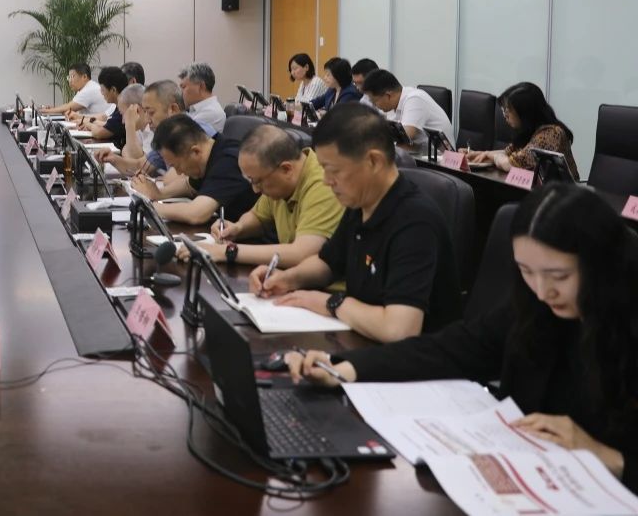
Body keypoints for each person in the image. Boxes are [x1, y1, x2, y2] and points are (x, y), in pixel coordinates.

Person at [285, 184, 638, 492]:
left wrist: (608, 456)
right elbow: (452, 348)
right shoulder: (534, 306)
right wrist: (342, 367)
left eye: (559, 276)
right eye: (527, 271)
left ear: (599, 263)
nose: (543, 291)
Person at [252, 103, 462, 343]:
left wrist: (332, 303)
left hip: (418, 358)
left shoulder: (415, 221)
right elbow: (328, 263)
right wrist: (287, 278)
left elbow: (399, 330)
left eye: (333, 171)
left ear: (373, 161)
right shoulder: (361, 203)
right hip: (363, 339)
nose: (326, 181)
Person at [183, 124, 343, 267]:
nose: (255, 190)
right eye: (250, 181)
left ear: (286, 169)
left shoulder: (323, 185)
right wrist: (238, 228)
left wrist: (226, 251)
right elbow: (259, 216)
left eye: (257, 181)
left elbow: (301, 253)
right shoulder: (279, 179)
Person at [128, 114, 256, 226]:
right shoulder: (212, 150)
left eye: (177, 165)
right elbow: (188, 185)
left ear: (195, 151)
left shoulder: (228, 162)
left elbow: (196, 214)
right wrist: (159, 194)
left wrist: (149, 206)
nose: (178, 173)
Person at [467, 82, 579, 179]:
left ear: (525, 112)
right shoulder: (529, 131)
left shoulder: (551, 134)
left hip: (563, 195)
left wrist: (493, 156)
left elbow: (511, 164)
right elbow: (507, 153)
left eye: (508, 110)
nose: (505, 115)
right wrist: (479, 155)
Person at [361, 69, 454, 150]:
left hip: (441, 159)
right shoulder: (391, 105)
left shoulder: (415, 99)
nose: (374, 105)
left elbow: (406, 138)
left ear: (388, 95)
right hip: (418, 155)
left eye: (374, 101)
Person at [40, 64, 110, 117]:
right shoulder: (85, 88)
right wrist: (53, 108)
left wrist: (45, 111)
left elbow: (68, 108)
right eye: (69, 77)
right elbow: (70, 107)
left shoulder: (89, 90)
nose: (69, 80)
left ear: (84, 77)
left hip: (101, 126)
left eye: (72, 76)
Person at [85, 66, 130, 148]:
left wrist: (88, 125)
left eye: (103, 89)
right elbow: (109, 124)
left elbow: (99, 133)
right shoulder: (118, 106)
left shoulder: (124, 109)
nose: (101, 93)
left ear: (113, 90)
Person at [178, 62, 227, 133]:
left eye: (183, 87)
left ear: (201, 86)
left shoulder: (211, 112)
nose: (181, 92)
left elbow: (178, 136)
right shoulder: (196, 110)